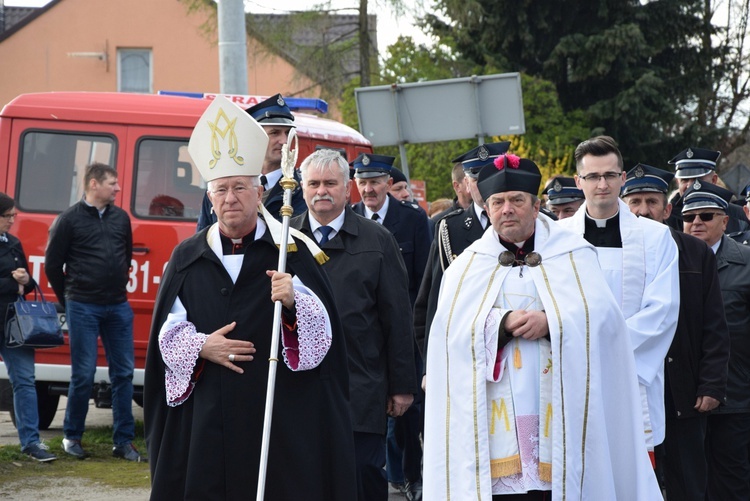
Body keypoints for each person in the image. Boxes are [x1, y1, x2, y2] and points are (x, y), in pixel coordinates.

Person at [144, 96, 356, 500]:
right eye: (221, 190)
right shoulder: (188, 257)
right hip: (207, 415)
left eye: (240, 188)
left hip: (276, 411)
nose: (230, 199)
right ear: (209, 199)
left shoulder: (291, 251)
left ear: (259, 192)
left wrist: (294, 300)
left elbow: (323, 339)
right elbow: (168, 332)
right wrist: (202, 345)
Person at [423, 153, 661, 499]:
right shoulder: (467, 268)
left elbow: (607, 325)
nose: (508, 209)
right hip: (494, 425)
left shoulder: (575, 255)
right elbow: (449, 339)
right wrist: (499, 325)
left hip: (562, 408)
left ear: (536, 207)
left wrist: (554, 322)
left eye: (517, 200)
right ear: (487, 209)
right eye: (498, 202)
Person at [291, 148, 417, 501]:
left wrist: (402, 385)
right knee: (306, 481)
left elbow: (397, 317)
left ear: (348, 189)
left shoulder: (377, 241)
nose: (321, 191)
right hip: (299, 389)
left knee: (361, 478)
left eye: (330, 183)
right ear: (302, 188)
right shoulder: (282, 239)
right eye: (313, 183)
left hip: (360, 386)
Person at [559, 136, 680, 461]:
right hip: (574, 374)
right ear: (578, 181)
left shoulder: (655, 238)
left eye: (610, 175)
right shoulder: (557, 239)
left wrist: (604, 347)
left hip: (632, 373)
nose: (602, 184)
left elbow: (664, 310)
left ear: (622, 178)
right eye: (593, 176)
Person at [621, 164, 729, 500]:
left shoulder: (694, 251)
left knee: (688, 483)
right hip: (631, 387)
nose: (643, 210)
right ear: (623, 208)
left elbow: (714, 324)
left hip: (683, 391)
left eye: (652, 201)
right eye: (635, 201)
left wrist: (711, 384)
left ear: (667, 208)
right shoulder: (613, 253)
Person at [45, 162, 143, 462]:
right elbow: (52, 265)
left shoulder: (121, 218)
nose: (117, 188)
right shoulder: (69, 220)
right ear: (93, 185)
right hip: (83, 305)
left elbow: (125, 255)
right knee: (83, 375)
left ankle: (123, 441)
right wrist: (71, 298)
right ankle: (72, 437)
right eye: (112, 183)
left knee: (124, 373)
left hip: (117, 305)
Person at [350, 153, 431, 500]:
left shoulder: (411, 220)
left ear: (388, 183)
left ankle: (412, 476)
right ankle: (388, 474)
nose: (368, 189)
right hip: (364, 339)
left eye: (374, 182)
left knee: (407, 412)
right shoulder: (349, 219)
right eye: (362, 182)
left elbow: (423, 281)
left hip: (402, 332)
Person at [680, 181, 750, 500]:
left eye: (706, 216)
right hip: (683, 399)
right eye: (689, 217)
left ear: (725, 221)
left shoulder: (747, 263)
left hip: (736, 396)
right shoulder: (667, 260)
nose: (696, 223)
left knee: (731, 482)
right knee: (688, 483)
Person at [414, 141, 510, 359]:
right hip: (466, 347)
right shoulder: (449, 228)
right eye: (477, 178)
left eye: (492, 175)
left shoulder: (531, 221)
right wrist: (432, 366)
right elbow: (433, 302)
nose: (485, 185)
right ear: (466, 183)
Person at [0, 193, 57, 462]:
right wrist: (14, 284)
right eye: (7, 216)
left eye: (14, 215)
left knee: (24, 381)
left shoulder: (13, 243)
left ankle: (32, 443)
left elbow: (28, 284)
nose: (12, 220)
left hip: (15, 324)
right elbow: (14, 285)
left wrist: (26, 279)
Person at [196, 93, 307, 230]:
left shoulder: (303, 189)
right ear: (254, 137)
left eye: (287, 133)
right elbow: (203, 239)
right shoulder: (221, 186)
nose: (284, 141)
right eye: (274, 133)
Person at [666, 146, 750, 234]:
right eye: (685, 180)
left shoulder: (740, 217)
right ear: (678, 183)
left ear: (714, 180)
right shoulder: (667, 217)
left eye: (697, 179)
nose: (690, 186)